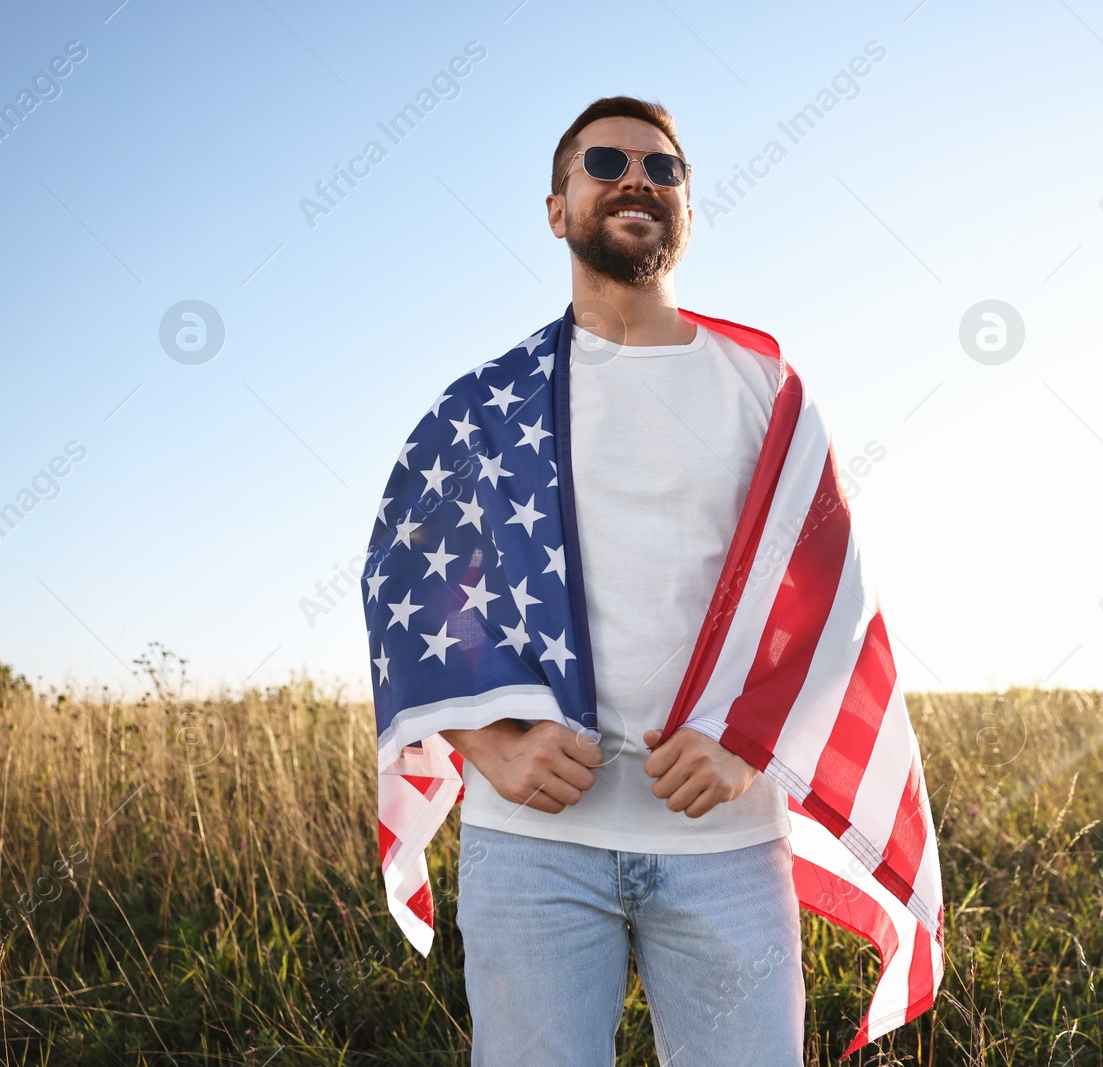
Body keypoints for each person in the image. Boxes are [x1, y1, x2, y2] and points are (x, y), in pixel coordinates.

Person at [436, 96, 806, 1067]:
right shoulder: (486, 402)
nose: (637, 178)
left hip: (726, 840)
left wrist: (748, 745)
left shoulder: (765, 387)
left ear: (687, 208)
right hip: (531, 842)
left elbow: (826, 595)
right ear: (557, 209)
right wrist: (489, 744)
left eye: (664, 168)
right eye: (604, 161)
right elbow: (412, 589)